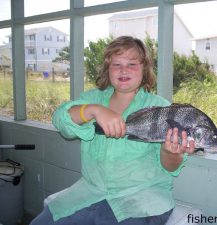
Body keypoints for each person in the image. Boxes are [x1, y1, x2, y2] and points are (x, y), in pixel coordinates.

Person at [29, 36, 195, 225]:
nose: (124, 70)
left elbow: (171, 167)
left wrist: (170, 152)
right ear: (107, 70)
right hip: (90, 193)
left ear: (144, 69)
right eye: (116, 64)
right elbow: (61, 120)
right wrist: (92, 110)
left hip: (142, 200)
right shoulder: (92, 98)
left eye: (132, 64)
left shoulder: (162, 109)